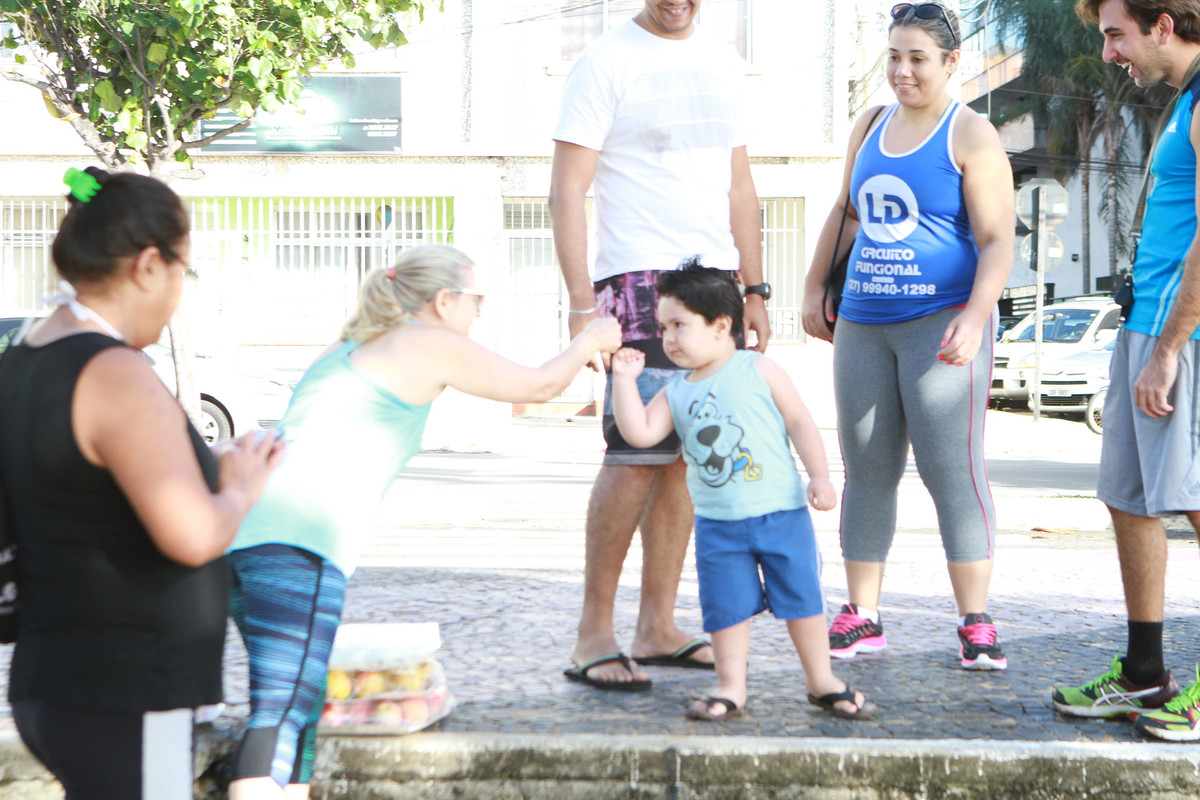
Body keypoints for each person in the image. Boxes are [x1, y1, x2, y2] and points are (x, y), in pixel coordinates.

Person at [224, 244, 621, 799]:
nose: (481, 311)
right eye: (477, 298)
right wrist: (590, 340)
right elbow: (537, 388)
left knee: (300, 701)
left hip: (245, 531)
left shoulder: (349, 345)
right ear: (443, 300)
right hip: (298, 539)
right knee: (282, 709)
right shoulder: (427, 342)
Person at [0, 167, 286, 800]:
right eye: (185, 269)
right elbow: (192, 535)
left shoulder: (31, 350)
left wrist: (205, 464)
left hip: (59, 679)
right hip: (124, 685)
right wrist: (240, 484)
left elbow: (87, 491)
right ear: (150, 265)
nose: (180, 290)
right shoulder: (113, 372)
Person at [549, 0, 771, 691]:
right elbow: (566, 190)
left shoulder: (723, 59)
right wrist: (583, 304)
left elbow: (739, 184)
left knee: (684, 460)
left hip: (715, 282)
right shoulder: (605, 62)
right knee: (636, 453)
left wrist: (756, 287)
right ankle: (593, 633)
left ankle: (656, 627)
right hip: (637, 277)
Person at [801, 3, 1014, 670]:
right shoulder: (868, 124)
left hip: (943, 325)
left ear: (952, 63)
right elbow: (845, 211)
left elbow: (997, 238)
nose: (902, 70)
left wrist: (976, 317)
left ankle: (975, 620)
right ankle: (862, 614)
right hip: (865, 321)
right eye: (895, 56)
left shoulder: (971, 135)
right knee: (867, 470)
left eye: (918, 58)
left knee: (950, 470)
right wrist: (814, 289)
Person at [609, 260, 876, 721]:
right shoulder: (676, 391)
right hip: (718, 525)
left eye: (679, 325)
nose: (668, 337)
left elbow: (800, 422)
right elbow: (641, 433)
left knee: (803, 602)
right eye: (663, 327)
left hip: (781, 514)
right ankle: (731, 686)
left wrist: (821, 476)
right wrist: (624, 383)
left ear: (721, 326)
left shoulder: (758, 368)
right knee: (726, 609)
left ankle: (822, 681)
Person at [1052, 0, 1200, 741]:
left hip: (1183, 335)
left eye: (1117, 34)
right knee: (1131, 497)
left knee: (1195, 499)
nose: (1111, 52)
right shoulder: (1186, 100)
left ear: (1164, 25)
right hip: (1145, 327)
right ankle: (1144, 674)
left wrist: (1172, 346)